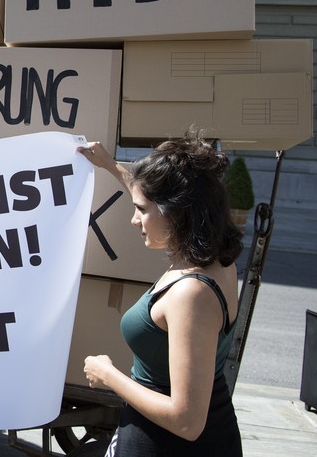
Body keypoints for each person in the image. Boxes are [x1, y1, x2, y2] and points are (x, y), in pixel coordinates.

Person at [78, 130, 244, 456]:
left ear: (176, 213)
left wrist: (109, 375)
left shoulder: (191, 295)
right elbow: (156, 196)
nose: (133, 219)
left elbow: (186, 421)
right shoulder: (217, 261)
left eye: (140, 210)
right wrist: (112, 167)